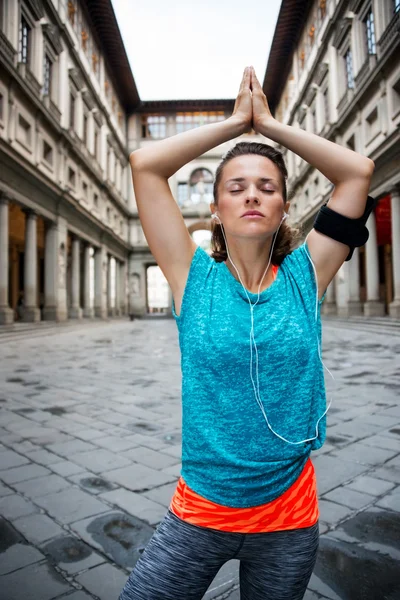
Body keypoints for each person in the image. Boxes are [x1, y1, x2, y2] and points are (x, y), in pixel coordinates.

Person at [119, 67, 374, 600]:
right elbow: (145, 166)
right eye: (236, 188)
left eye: (267, 188)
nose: (252, 196)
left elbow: (356, 172)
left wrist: (271, 127)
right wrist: (236, 123)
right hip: (200, 512)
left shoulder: (307, 275)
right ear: (216, 208)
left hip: (288, 518)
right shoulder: (193, 278)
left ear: (283, 207)